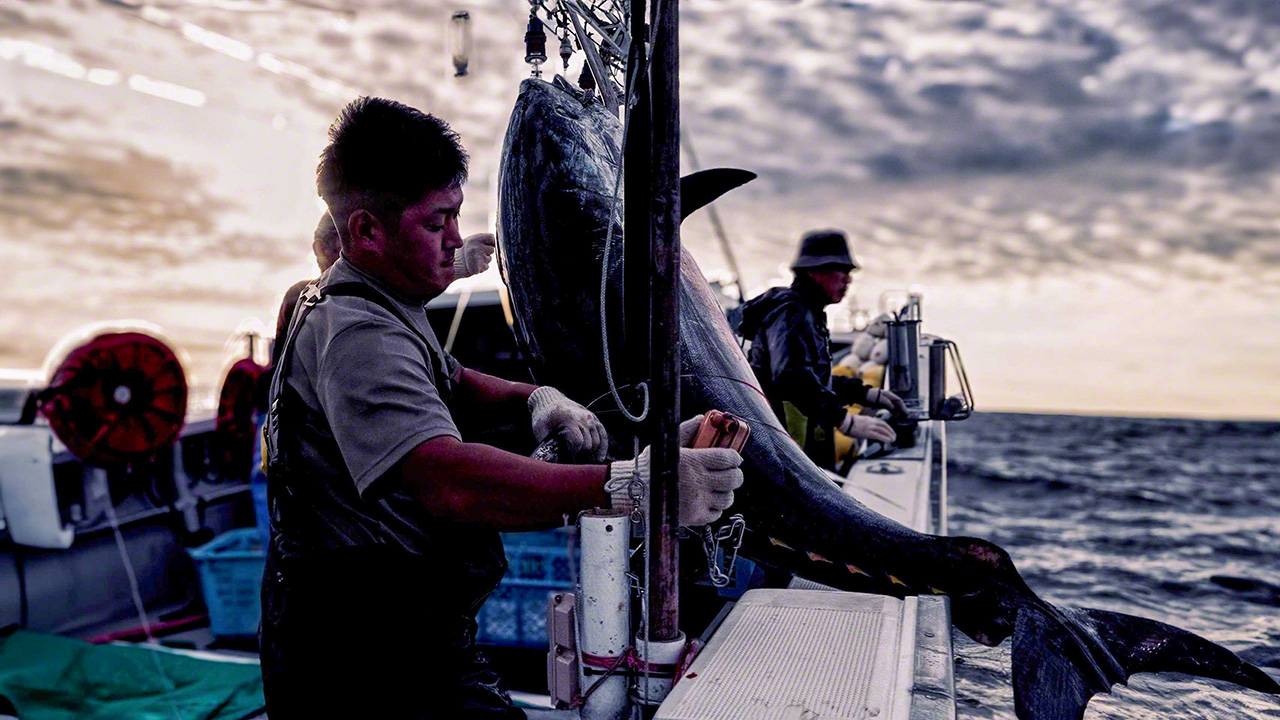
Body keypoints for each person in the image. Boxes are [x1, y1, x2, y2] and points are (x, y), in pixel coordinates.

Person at [259, 96, 745, 719]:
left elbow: (452, 379)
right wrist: (632, 488)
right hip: (367, 663)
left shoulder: (367, 301)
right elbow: (448, 485)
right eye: (438, 224)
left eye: (457, 218)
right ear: (366, 232)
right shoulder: (360, 334)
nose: (455, 241)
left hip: (377, 635)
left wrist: (538, 400)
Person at [738, 229, 906, 471]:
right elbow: (791, 379)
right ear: (813, 271)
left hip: (796, 451)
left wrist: (867, 394)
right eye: (840, 270)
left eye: (849, 273)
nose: (847, 280)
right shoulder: (792, 312)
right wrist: (844, 421)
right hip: (784, 455)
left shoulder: (808, 312)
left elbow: (816, 380)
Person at [270, 210, 497, 364]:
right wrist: (455, 264)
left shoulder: (366, 300)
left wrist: (450, 265)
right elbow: (373, 300)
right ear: (321, 249)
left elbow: (389, 297)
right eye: (348, 248)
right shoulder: (303, 297)